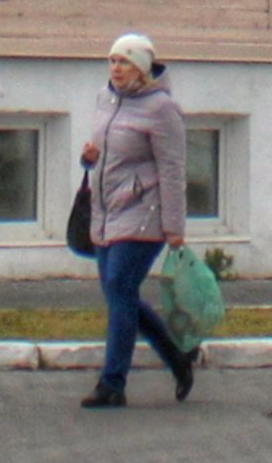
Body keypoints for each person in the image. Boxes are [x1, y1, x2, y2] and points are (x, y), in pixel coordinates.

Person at [79, 34, 196, 407]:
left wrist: (175, 227)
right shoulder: (106, 98)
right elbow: (102, 155)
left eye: (124, 62)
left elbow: (174, 169)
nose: (115, 68)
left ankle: (112, 384)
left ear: (142, 68)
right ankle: (178, 358)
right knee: (120, 294)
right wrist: (88, 158)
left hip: (145, 213)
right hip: (106, 209)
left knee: (119, 287)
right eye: (112, 60)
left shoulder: (162, 109)